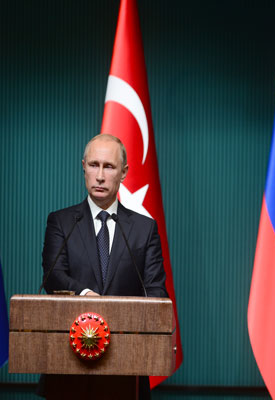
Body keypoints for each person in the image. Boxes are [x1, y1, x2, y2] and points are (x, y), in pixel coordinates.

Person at [39, 134, 167, 399]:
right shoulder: (61, 222)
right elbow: (54, 277)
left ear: (124, 172)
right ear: (83, 167)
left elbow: (156, 294)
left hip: (126, 370)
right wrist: (87, 295)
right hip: (68, 367)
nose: (99, 176)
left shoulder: (144, 229)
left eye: (108, 167)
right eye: (94, 165)